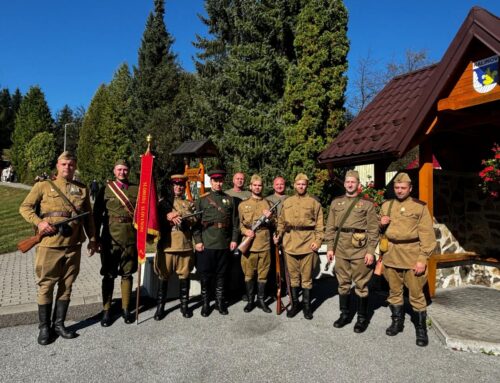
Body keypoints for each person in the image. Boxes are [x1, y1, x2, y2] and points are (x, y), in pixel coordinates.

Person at [19, 151, 97, 345]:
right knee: (46, 285)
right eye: (64, 164)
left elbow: (88, 217)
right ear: (57, 165)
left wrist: (93, 239)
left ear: (74, 166)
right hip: (49, 245)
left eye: (71, 164)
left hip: (73, 246)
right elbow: (25, 207)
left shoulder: (82, 189)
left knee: (67, 286)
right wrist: (39, 223)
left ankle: (59, 325)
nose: (67, 168)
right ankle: (44, 328)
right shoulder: (43, 186)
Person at [380, 172, 436, 347]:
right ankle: (397, 322)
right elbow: (379, 231)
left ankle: (421, 329)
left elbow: (427, 236)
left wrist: (422, 259)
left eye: (403, 188)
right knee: (394, 293)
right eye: (397, 188)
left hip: (412, 256)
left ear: (410, 188)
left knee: (416, 295)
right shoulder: (386, 205)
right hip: (391, 256)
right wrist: (381, 223)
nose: (399, 190)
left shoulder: (419, 207)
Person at [325, 170, 379, 333]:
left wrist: (370, 251)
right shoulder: (336, 203)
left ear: (358, 184)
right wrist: (329, 248)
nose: (349, 184)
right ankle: (345, 315)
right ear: (344, 183)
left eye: (353, 182)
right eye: (347, 182)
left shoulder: (367, 204)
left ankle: (362, 319)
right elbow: (330, 227)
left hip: (360, 249)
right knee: (343, 284)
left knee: (361, 285)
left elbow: (373, 229)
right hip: (341, 249)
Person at [93, 159, 138, 326]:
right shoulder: (105, 189)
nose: (122, 172)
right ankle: (106, 310)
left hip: (130, 236)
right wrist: (95, 238)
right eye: (119, 169)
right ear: (114, 171)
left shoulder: (137, 189)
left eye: (125, 169)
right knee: (109, 274)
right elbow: (97, 215)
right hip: (110, 237)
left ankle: (126, 309)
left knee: (127, 273)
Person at [274, 173, 324, 320]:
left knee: (307, 278)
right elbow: (281, 222)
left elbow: (320, 224)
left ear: (306, 185)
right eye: (298, 184)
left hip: (308, 243)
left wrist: (318, 240)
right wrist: (278, 235)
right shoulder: (287, 202)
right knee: (294, 278)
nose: (301, 186)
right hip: (290, 243)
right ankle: (295, 304)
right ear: (294, 185)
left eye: (303, 184)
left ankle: (307, 307)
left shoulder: (314, 203)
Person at [193, 169, 239, 317]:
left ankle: (220, 302)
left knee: (221, 275)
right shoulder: (202, 199)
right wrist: (198, 241)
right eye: (215, 181)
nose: (218, 183)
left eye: (220, 181)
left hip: (224, 244)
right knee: (206, 276)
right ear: (211, 182)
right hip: (207, 243)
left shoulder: (229, 199)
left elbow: (234, 223)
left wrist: (233, 239)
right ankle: (206, 303)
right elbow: (196, 224)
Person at [154, 174, 196, 320]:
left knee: (185, 276)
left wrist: (178, 213)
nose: (179, 187)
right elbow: (154, 221)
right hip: (167, 246)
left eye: (181, 185)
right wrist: (167, 216)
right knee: (163, 276)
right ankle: (160, 308)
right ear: (171, 186)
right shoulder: (162, 204)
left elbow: (194, 218)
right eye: (176, 185)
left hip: (184, 245)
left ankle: (184, 306)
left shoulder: (188, 203)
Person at [238, 174, 273, 313]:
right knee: (248, 274)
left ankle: (261, 300)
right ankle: (250, 300)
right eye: (255, 185)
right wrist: (245, 232)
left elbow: (274, 224)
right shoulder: (243, 204)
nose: (257, 188)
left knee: (263, 274)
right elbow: (239, 225)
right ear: (250, 186)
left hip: (264, 244)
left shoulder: (268, 204)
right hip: (249, 245)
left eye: (260, 185)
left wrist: (269, 218)